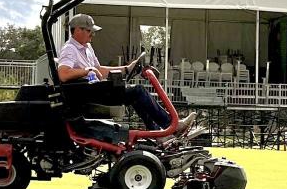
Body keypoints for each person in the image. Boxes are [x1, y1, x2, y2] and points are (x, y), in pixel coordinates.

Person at [58, 14, 195, 133]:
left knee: (134, 95)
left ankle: (157, 132)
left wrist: (127, 68)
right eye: (89, 31)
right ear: (77, 30)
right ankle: (171, 125)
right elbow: (63, 74)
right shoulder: (70, 49)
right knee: (138, 91)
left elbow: (99, 70)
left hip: (94, 89)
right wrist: (87, 70)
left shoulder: (86, 47)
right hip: (85, 95)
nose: (92, 34)